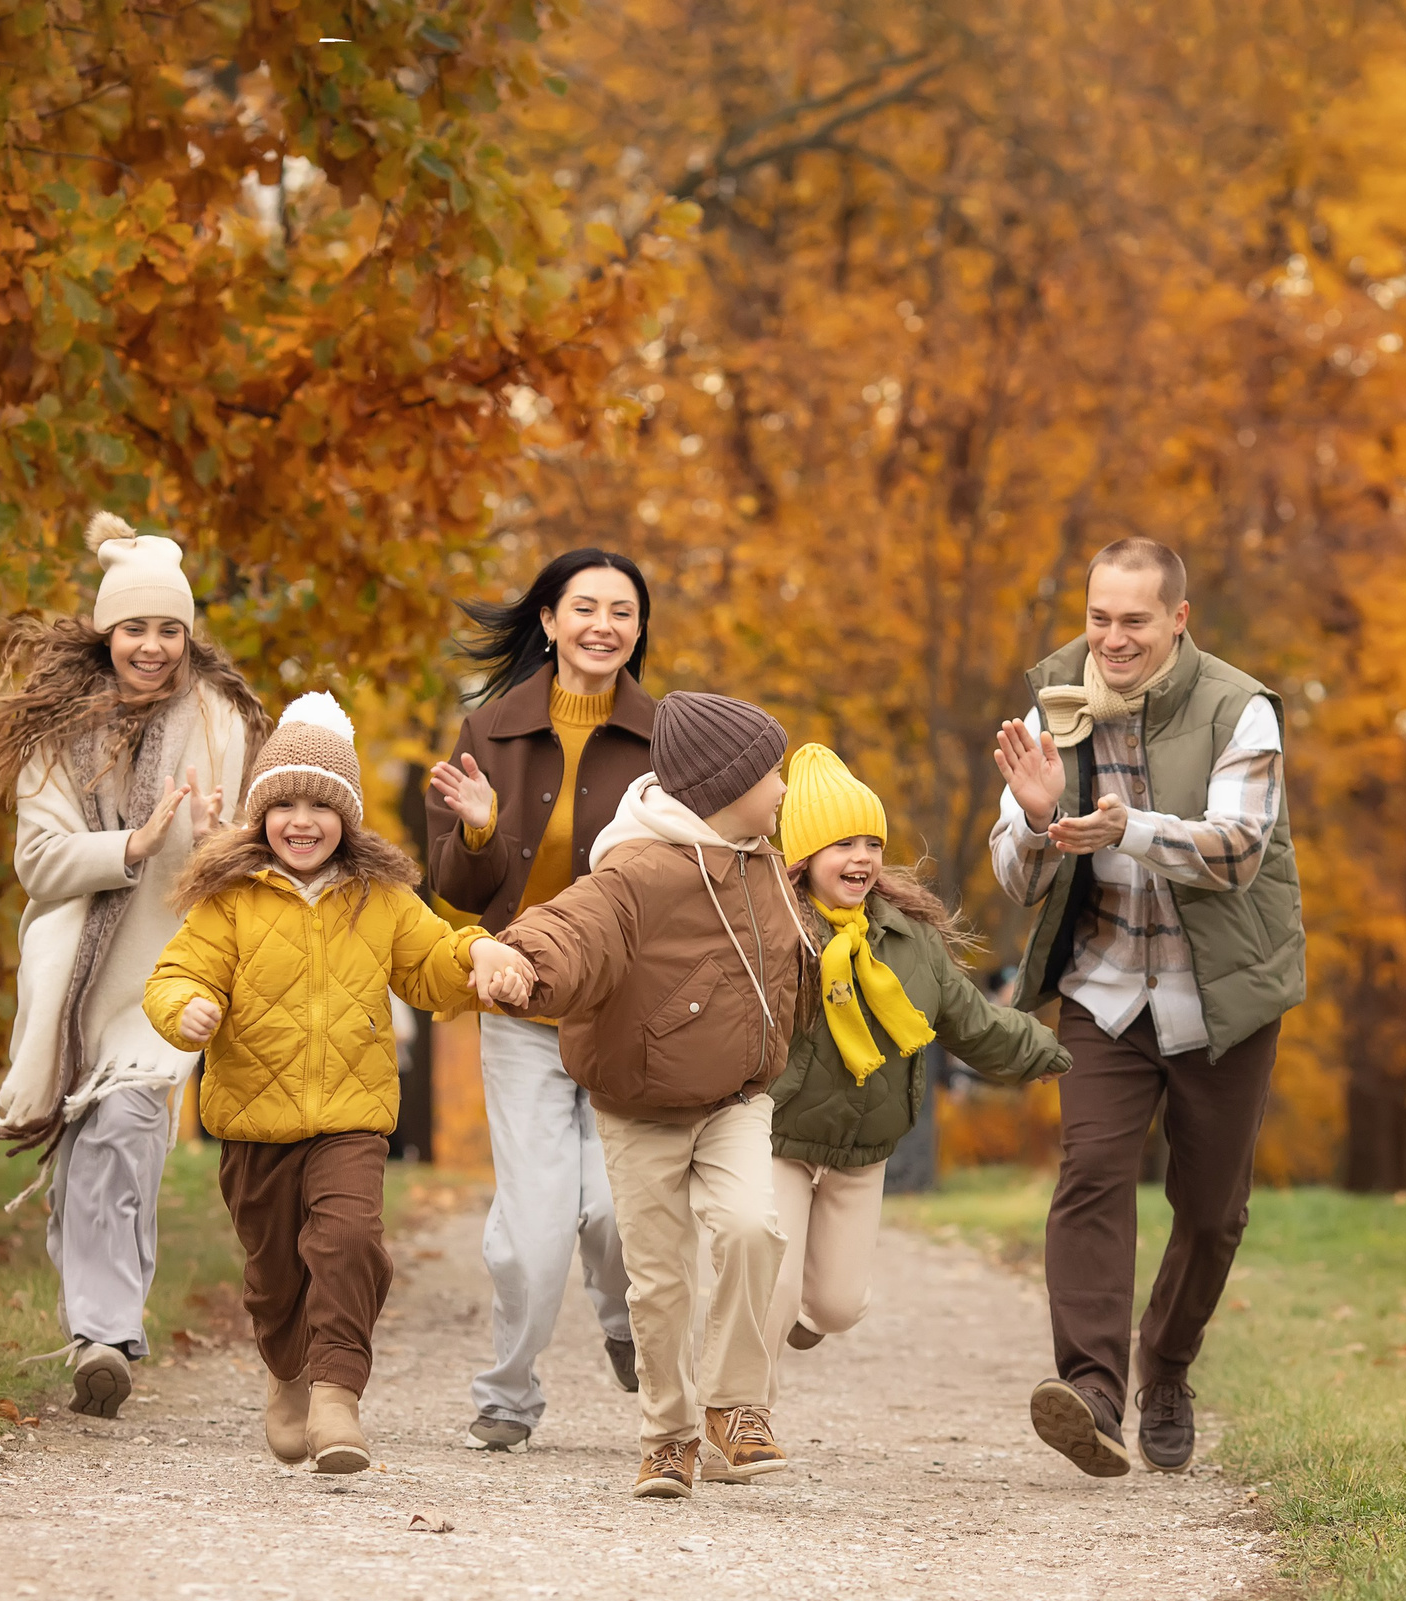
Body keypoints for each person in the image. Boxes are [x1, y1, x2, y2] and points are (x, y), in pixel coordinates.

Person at [144, 693, 534, 1471]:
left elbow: (430, 963)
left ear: (347, 816)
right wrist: (186, 1007)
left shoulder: (380, 895)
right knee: (274, 1276)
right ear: (260, 814)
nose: (302, 821)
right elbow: (177, 973)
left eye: (321, 805)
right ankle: (288, 1369)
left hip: (352, 1117)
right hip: (254, 1123)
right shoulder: (229, 898)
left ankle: (336, 1396)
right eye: (284, 804)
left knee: (349, 1241)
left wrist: (477, 954)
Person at [988, 536, 1305, 1477]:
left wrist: (1130, 828)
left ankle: (1164, 1365)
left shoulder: (1239, 709)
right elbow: (1016, 879)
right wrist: (1040, 821)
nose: (1113, 639)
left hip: (1219, 995)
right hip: (1107, 987)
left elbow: (1239, 849)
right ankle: (1092, 1393)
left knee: (1212, 1212)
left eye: (1135, 620)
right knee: (1090, 1175)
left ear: (1178, 618)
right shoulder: (1052, 704)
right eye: (1099, 618)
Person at [0, 512, 267, 1419]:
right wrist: (131, 844)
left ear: (188, 633)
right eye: (135, 628)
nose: (153, 646)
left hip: (172, 968)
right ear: (106, 632)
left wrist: (211, 837)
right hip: (73, 977)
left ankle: (101, 1335)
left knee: (126, 1132)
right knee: (89, 1154)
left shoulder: (222, 719)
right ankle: (108, 1326)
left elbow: (253, 847)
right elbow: (38, 862)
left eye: (169, 628)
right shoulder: (57, 733)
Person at [490, 694, 808, 1501]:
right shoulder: (637, 868)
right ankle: (668, 1436)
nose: (782, 788)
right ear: (723, 787)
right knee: (660, 1283)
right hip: (641, 1111)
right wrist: (524, 960)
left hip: (736, 1098)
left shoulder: (765, 861)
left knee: (753, 1226)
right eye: (771, 773)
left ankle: (735, 1406)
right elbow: (574, 925)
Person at [425, 550, 657, 1451]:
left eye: (622, 611)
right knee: (533, 1224)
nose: (604, 625)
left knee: (614, 1213)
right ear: (551, 622)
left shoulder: (666, 737)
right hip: (521, 1010)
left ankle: (628, 1325)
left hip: (624, 1009)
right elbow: (455, 887)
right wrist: (481, 828)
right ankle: (508, 1394)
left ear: (638, 630)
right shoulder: (489, 732)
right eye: (584, 607)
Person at [762, 745, 1069, 1393]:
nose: (862, 858)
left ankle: (794, 1314)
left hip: (862, 1146)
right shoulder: (771, 931)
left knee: (838, 1306)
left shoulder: (908, 939)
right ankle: (741, 1413)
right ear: (804, 856)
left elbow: (969, 1019)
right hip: (779, 1137)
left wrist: (1043, 1051)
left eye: (872, 843)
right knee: (770, 1288)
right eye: (844, 844)